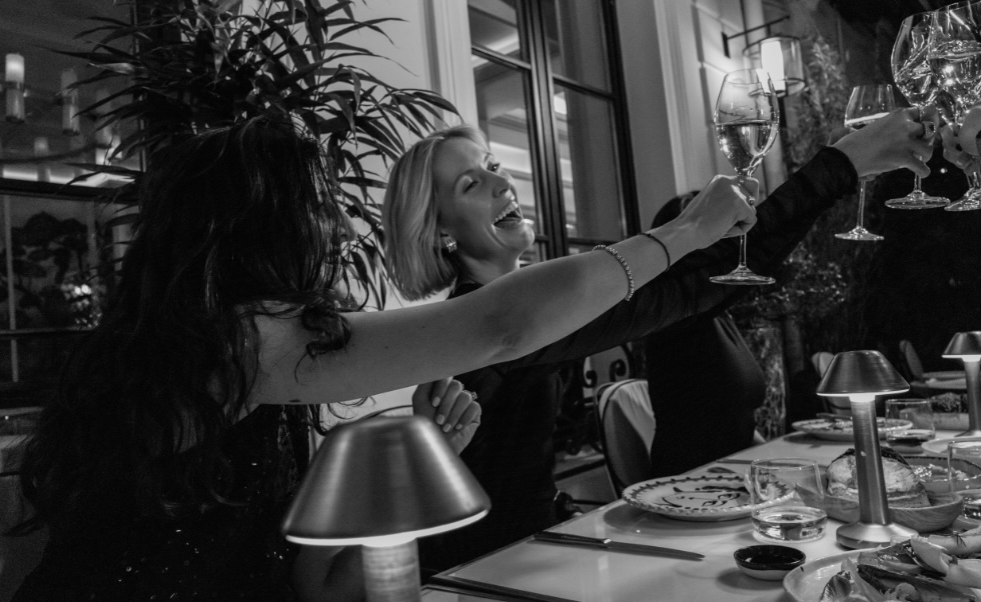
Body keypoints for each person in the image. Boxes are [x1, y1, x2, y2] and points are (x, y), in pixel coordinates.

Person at [10, 116, 757, 602]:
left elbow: (323, 589)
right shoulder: (236, 346)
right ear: (262, 227)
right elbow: (503, 325)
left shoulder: (260, 374)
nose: (339, 226)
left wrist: (414, 463)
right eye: (319, 205)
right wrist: (686, 233)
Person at [381, 109, 934, 571]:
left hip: (536, 551)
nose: (502, 182)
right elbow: (694, 287)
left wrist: (841, 169)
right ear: (440, 232)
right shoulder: (483, 321)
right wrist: (839, 167)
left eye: (495, 166)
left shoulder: (518, 300)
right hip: (478, 574)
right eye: (471, 184)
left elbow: (699, 284)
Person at [639, 194, 765, 478]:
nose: (727, 242)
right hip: (690, 485)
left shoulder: (717, 312)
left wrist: (773, 464)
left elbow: (739, 422)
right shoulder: (674, 315)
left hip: (733, 475)